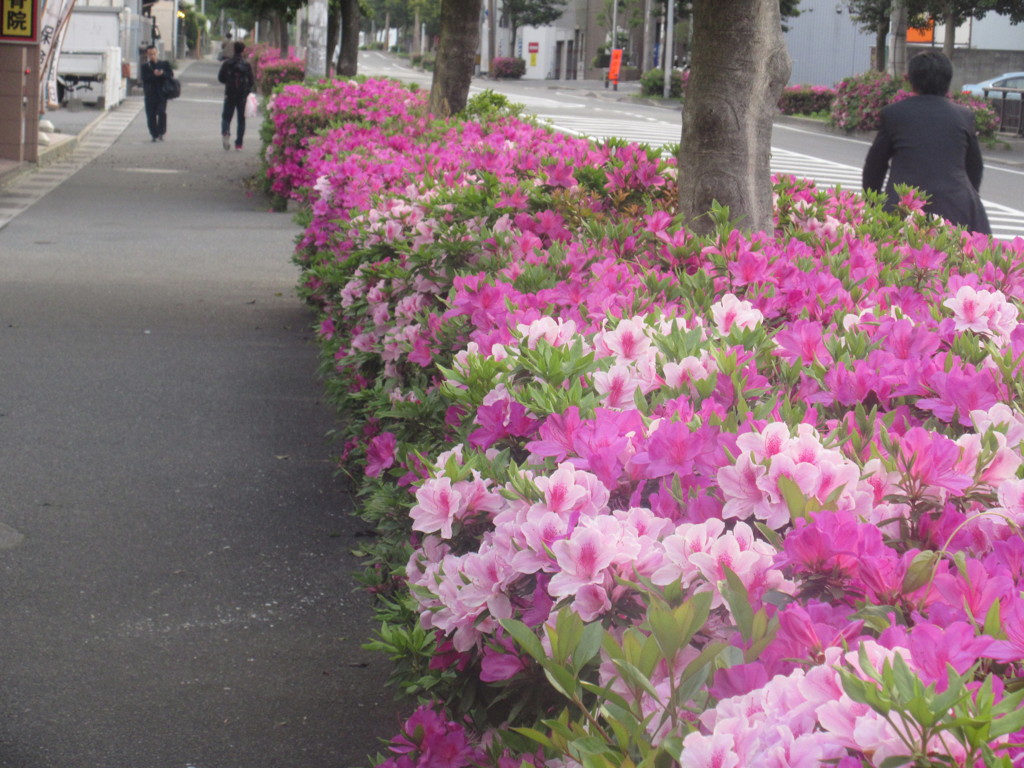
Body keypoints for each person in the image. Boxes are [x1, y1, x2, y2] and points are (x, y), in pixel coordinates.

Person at [862, 51, 991, 235]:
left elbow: (875, 166)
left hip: (903, 209)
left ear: (910, 80)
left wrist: (872, 205)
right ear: (948, 81)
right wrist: (970, 198)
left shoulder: (894, 114)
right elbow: (975, 167)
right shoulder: (963, 116)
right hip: (957, 208)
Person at [218, 41, 255, 151]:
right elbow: (251, 81)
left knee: (226, 117)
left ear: (234, 49)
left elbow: (220, 78)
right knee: (241, 119)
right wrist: (247, 90)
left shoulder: (227, 63)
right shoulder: (246, 65)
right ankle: (239, 144)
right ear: (243, 50)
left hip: (229, 93)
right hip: (242, 95)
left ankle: (226, 132)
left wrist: (228, 82)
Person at [140, 45, 173, 142]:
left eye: (154, 54)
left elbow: (170, 75)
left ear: (157, 53)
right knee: (151, 115)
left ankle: (161, 132)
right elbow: (145, 79)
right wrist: (154, 75)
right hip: (150, 94)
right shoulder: (145, 67)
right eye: (150, 54)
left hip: (162, 93)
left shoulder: (164, 64)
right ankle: (154, 134)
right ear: (147, 55)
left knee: (161, 112)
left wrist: (162, 73)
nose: (152, 56)